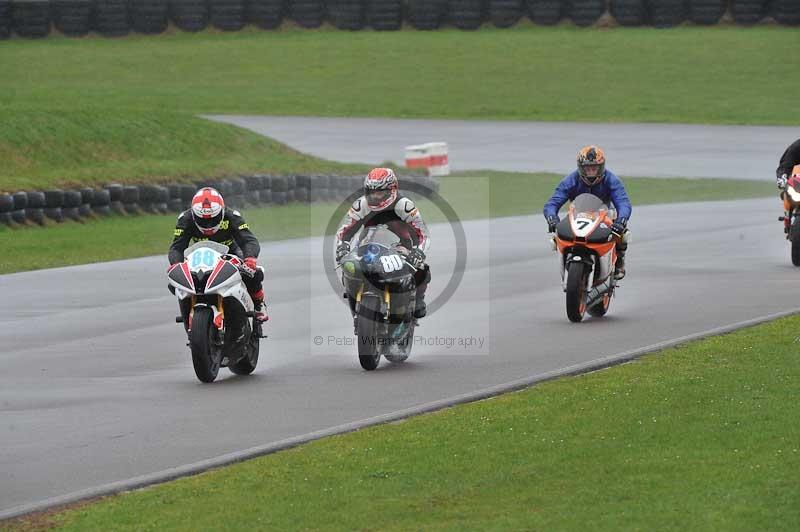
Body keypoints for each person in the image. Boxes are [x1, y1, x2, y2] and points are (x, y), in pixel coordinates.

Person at [335, 168, 431, 318]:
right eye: (371, 192)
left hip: (400, 246)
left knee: (421, 268)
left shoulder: (405, 206)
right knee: (348, 263)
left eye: (379, 192)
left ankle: (418, 299)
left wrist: (418, 251)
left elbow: (423, 233)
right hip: (368, 244)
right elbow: (345, 230)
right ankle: (353, 292)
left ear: (391, 190)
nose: (375, 196)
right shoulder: (361, 205)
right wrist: (342, 246)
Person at [169, 187, 268, 322]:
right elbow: (177, 247)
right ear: (194, 215)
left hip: (231, 253)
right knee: (175, 283)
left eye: (213, 219)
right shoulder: (185, 219)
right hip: (200, 257)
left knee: (253, 273)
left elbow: (249, 240)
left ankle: (259, 304)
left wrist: (250, 259)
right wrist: (176, 264)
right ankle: (187, 313)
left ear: (221, 212)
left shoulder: (232, 216)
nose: (208, 224)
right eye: (202, 220)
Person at [543, 145, 632, 279]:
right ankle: (565, 260)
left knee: (623, 233)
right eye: (587, 169)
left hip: (604, 215)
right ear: (580, 168)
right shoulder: (571, 180)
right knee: (558, 234)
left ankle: (619, 260)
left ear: (601, 167)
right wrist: (552, 217)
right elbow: (552, 203)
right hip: (578, 215)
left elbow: (623, 202)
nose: (591, 172)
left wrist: (621, 220)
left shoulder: (612, 180)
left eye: (594, 168)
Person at [776, 138, 800, 234]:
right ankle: (788, 218)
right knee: (788, 192)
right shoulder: (797, 147)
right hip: (799, 184)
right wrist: (782, 179)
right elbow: (785, 165)